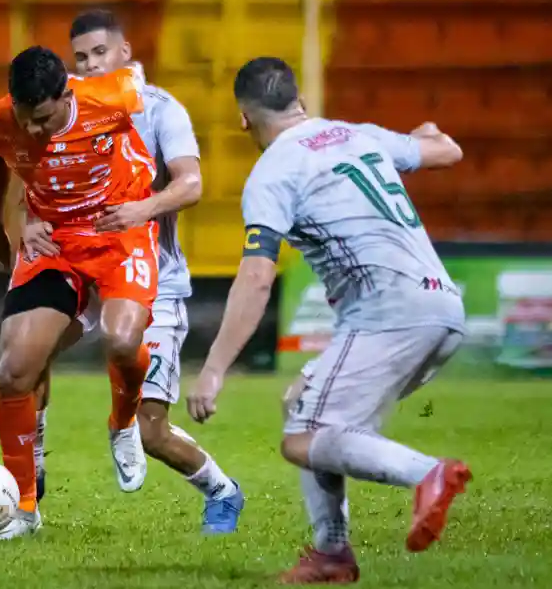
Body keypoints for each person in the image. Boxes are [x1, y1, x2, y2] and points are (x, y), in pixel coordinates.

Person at [188, 56, 470, 584]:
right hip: (443, 308)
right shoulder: (355, 134)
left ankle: (426, 473)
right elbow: (446, 151)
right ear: (301, 102)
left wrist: (214, 368)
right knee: (303, 403)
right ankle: (331, 553)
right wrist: (425, 133)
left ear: (244, 119)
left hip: (389, 312)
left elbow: (255, 279)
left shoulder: (272, 172)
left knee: (302, 436)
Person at [19, 9, 244, 534]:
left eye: (100, 53)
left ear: (124, 53)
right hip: (82, 272)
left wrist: (142, 209)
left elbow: (191, 184)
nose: (91, 64)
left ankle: (223, 491)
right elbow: (29, 164)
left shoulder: (159, 109)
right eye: (81, 56)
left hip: (152, 279)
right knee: (26, 356)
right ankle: (33, 464)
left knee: (151, 432)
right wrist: (30, 219)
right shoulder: (61, 106)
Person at [0, 45, 158, 540]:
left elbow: (141, 89)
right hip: (52, 239)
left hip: (117, 229)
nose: (32, 131)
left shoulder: (114, 97)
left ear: (65, 95)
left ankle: (123, 423)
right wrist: (5, 225)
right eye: (24, 118)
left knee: (122, 343)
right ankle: (25, 509)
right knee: (14, 372)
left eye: (42, 118)